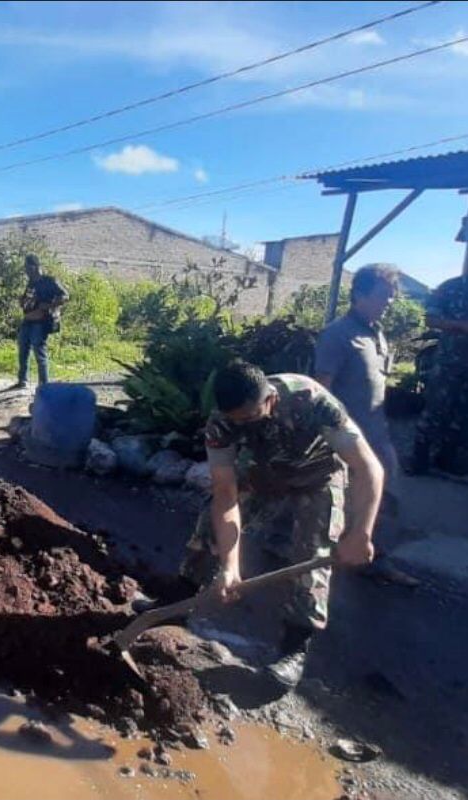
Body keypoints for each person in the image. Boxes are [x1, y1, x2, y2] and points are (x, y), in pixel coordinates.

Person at [179, 362, 382, 689]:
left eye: (247, 418)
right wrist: (230, 567)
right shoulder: (221, 423)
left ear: (270, 400)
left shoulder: (312, 401)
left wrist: (361, 532)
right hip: (265, 469)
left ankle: (294, 650)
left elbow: (368, 467)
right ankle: (179, 597)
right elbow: (226, 493)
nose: (239, 424)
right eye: (234, 419)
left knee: (310, 552)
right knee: (208, 523)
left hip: (318, 474)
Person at [315, 266, 401, 486]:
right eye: (383, 296)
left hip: (377, 436)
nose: (389, 303)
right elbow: (321, 391)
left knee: (380, 503)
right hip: (347, 442)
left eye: (391, 297)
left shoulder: (377, 333)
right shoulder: (337, 334)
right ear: (360, 295)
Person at [412, 271, 468, 474]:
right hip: (449, 364)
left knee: (462, 415)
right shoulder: (450, 288)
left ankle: (448, 460)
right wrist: (459, 325)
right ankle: (419, 459)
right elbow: (431, 319)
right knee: (436, 409)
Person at [16, 254, 70, 389]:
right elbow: (27, 298)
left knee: (40, 354)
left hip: (41, 322)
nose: (26, 271)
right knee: (23, 351)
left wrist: (50, 305)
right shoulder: (31, 283)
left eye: (28, 268)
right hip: (28, 320)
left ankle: (44, 385)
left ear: (35, 267)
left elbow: (65, 296)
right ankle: (22, 380)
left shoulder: (49, 281)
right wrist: (22, 301)